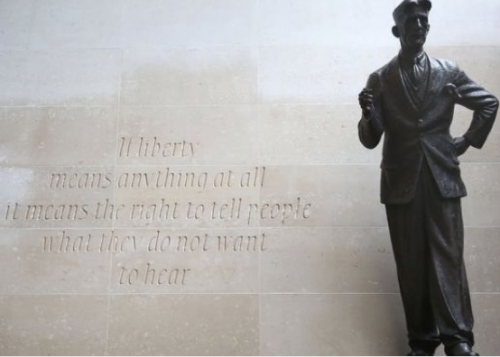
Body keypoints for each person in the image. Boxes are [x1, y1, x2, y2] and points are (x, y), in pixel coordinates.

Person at [358, 0, 499, 355]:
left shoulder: (447, 70)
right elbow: (371, 138)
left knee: (448, 257)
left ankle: (458, 340)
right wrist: (368, 114)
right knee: (411, 262)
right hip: (400, 181)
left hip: (441, 177)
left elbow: (489, 103)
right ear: (398, 31)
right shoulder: (381, 78)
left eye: (424, 21)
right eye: (412, 21)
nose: (420, 26)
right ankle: (421, 340)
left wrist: (466, 141)